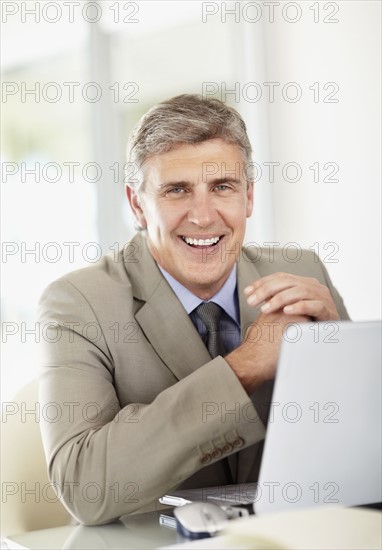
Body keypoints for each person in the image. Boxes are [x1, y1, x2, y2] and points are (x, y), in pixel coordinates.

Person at [38, 94, 349, 525]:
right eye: (177, 190)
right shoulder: (77, 303)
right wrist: (246, 365)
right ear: (137, 205)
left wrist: (340, 360)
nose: (203, 217)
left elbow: (358, 450)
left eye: (222, 187)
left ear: (249, 198)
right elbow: (84, 487)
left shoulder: (301, 272)